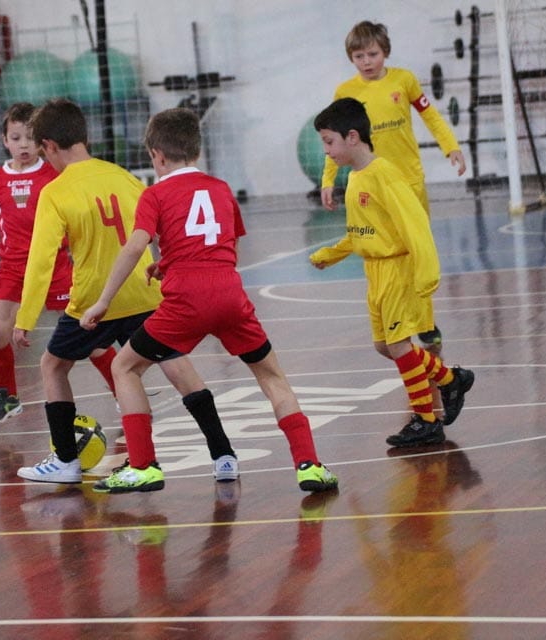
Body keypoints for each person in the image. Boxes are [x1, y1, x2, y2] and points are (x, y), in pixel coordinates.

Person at [81, 107, 338, 493]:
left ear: (157, 155)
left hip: (185, 302)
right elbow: (224, 246)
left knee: (124, 367)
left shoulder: (154, 194)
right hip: (230, 296)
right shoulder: (220, 189)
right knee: (271, 376)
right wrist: (173, 263)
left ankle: (143, 466)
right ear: (197, 151)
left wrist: (103, 301)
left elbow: (135, 247)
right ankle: (309, 465)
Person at [12, 99, 239, 484]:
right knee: (177, 366)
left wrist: (26, 317)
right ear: (84, 136)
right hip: (144, 293)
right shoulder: (124, 177)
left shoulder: (55, 191)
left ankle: (65, 461)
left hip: (94, 302)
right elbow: (160, 228)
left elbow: (41, 261)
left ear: (49, 146)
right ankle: (223, 455)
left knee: (52, 365)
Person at [309, 98, 474, 448]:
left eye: (329, 141)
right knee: (384, 346)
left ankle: (426, 420)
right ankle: (451, 379)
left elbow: (415, 225)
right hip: (375, 273)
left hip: (399, 269)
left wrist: (426, 272)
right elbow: (361, 233)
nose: (326, 151)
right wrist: (331, 255)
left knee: (399, 346)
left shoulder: (385, 174)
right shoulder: (355, 178)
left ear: (352, 137)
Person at [0, 102, 117, 424]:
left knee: (89, 334)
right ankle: (7, 398)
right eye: (16, 137)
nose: (23, 145)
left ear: (42, 142)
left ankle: (122, 390)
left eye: (30, 138)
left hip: (54, 267)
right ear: (4, 140)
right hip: (13, 270)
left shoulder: (54, 174)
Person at [320, 20, 466, 369]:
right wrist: (329, 179)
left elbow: (431, 117)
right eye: (359, 56)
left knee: (416, 249)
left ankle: (426, 324)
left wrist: (451, 147)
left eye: (372, 54)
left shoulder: (405, 81)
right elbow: (334, 138)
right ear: (351, 58)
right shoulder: (345, 92)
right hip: (373, 188)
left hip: (409, 182)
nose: (366, 61)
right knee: (385, 253)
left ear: (385, 52)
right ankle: (397, 320)